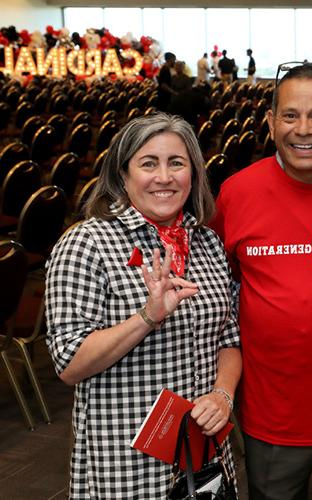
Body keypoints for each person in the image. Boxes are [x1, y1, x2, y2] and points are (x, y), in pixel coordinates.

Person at [45, 113, 241, 498]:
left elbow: (229, 339)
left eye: (177, 163)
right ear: (122, 175)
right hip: (126, 461)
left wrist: (223, 395)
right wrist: (148, 317)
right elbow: (69, 365)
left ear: (194, 174)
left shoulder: (205, 242)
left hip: (202, 451)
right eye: (148, 163)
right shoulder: (86, 244)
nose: (164, 177)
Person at [211, 62, 312, 499]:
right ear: (270, 122)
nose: (303, 129)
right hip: (272, 419)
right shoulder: (236, 193)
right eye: (290, 115)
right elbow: (217, 293)